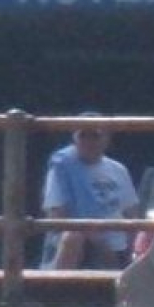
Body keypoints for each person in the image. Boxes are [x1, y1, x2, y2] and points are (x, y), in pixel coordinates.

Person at [40, 113, 140, 269]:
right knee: (72, 237)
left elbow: (132, 213)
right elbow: (57, 215)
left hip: (117, 246)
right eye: (83, 135)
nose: (88, 141)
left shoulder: (118, 170)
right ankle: (57, 284)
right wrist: (96, 239)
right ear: (74, 138)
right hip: (80, 245)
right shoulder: (63, 168)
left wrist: (133, 253)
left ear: (107, 139)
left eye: (95, 136)